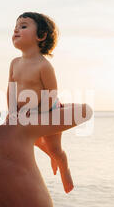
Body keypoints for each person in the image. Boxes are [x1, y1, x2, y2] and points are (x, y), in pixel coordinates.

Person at [8, 11, 74, 194]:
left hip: (48, 110)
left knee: (55, 148)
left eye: (23, 26)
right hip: (25, 112)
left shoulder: (44, 66)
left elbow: (52, 94)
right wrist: (12, 112)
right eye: (15, 27)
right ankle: (52, 155)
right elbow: (11, 90)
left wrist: (39, 115)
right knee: (33, 140)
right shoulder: (14, 63)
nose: (16, 30)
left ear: (41, 36)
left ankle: (63, 166)